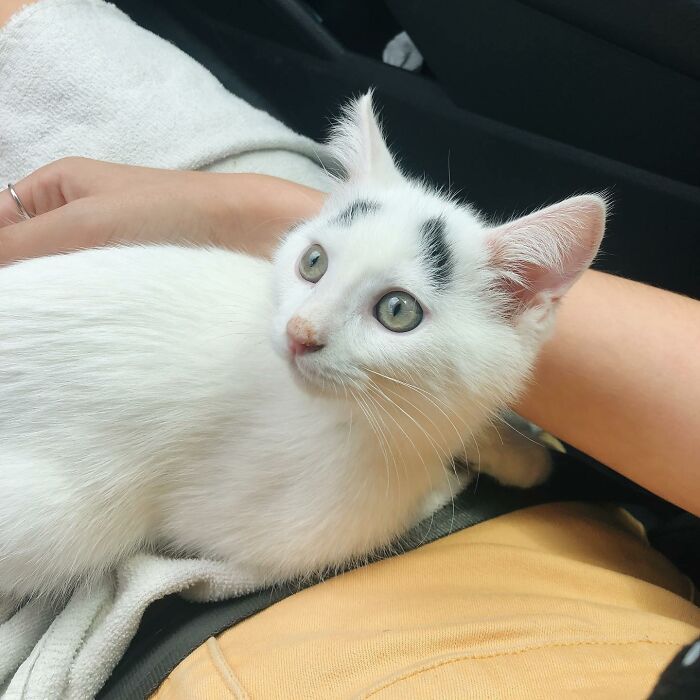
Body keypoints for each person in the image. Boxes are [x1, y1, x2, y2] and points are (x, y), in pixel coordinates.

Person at [1, 2, 698, 698]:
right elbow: (224, 530)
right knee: (62, 525)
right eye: (312, 266)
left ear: (522, 302)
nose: (305, 329)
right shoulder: (349, 511)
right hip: (47, 437)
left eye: (395, 310)